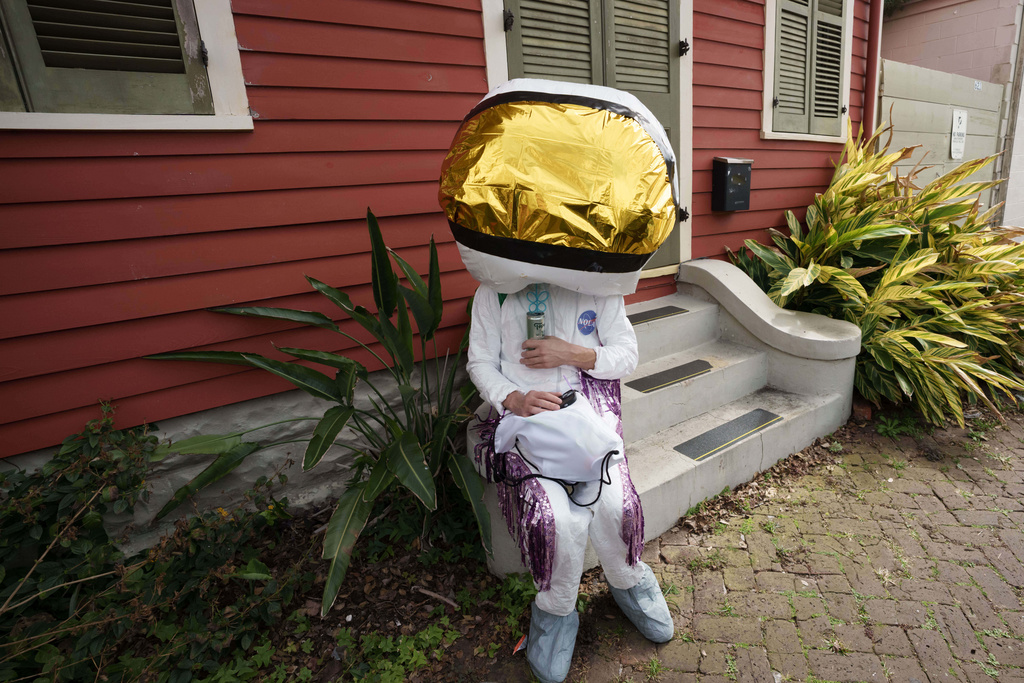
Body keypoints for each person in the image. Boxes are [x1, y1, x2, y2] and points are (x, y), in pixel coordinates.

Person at [467, 281, 674, 683]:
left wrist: (572, 353)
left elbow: (625, 354)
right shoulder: (495, 289)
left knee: (617, 506)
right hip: (528, 423)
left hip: (589, 418)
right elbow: (479, 361)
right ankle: (555, 610)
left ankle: (629, 581)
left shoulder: (599, 284)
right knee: (557, 521)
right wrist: (512, 398)